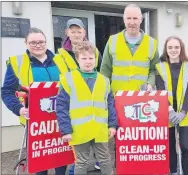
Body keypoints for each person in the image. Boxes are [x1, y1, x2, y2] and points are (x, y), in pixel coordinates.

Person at [1, 28, 67, 175]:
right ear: (26, 43)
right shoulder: (17, 62)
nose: (38, 45)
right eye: (33, 42)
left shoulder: (60, 60)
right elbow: (6, 91)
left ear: (46, 42)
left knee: (60, 158)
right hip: (34, 123)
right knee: (40, 161)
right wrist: (18, 109)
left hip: (59, 119)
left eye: (41, 42)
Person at [56, 41, 117, 174]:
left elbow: (110, 104)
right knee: (82, 161)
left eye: (91, 58)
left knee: (105, 159)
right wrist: (65, 130)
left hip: (99, 129)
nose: (88, 61)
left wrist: (112, 125)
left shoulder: (104, 80)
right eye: (84, 58)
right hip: (79, 130)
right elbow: (61, 107)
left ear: (96, 59)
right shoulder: (68, 79)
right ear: (77, 59)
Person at [54, 18, 101, 174]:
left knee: (86, 145)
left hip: (91, 105)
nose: (76, 34)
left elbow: (99, 75)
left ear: (84, 32)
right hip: (71, 104)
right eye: (72, 31)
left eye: (78, 31)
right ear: (67, 33)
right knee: (75, 146)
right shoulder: (60, 55)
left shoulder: (94, 51)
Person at [155, 36, 188, 175]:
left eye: (176, 47)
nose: (173, 50)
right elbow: (160, 90)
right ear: (166, 49)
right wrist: (171, 111)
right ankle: (173, 171)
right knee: (170, 147)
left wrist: (183, 111)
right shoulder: (159, 67)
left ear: (181, 48)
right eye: (170, 47)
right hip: (168, 114)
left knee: (186, 147)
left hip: (185, 113)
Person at [101, 4, 159, 94]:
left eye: (135, 18)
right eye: (129, 18)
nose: (132, 22)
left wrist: (150, 83)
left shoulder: (152, 43)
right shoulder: (112, 41)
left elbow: (154, 70)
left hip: (141, 99)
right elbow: (105, 71)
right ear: (124, 20)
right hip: (116, 99)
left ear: (141, 20)